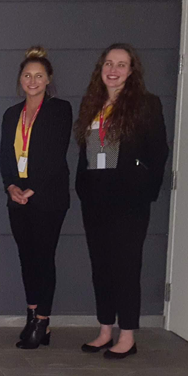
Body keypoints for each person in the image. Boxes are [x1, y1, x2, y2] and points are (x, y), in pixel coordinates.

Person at [74, 43, 168, 359]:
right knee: (101, 267)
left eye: (121, 65)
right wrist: (82, 187)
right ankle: (105, 330)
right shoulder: (92, 104)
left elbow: (158, 153)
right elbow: (84, 151)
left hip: (128, 200)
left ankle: (127, 335)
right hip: (95, 197)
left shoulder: (145, 104)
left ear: (131, 71)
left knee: (126, 267)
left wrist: (143, 191)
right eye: (109, 64)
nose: (113, 70)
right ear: (101, 69)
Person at [0, 46, 73, 349]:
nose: (32, 81)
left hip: (48, 196)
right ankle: (32, 315)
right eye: (27, 75)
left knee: (44, 257)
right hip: (18, 197)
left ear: (48, 79)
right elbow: (5, 155)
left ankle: (43, 320)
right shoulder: (11, 114)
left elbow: (56, 154)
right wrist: (11, 187)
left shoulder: (60, 109)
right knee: (26, 258)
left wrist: (34, 188)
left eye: (38, 76)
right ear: (20, 79)